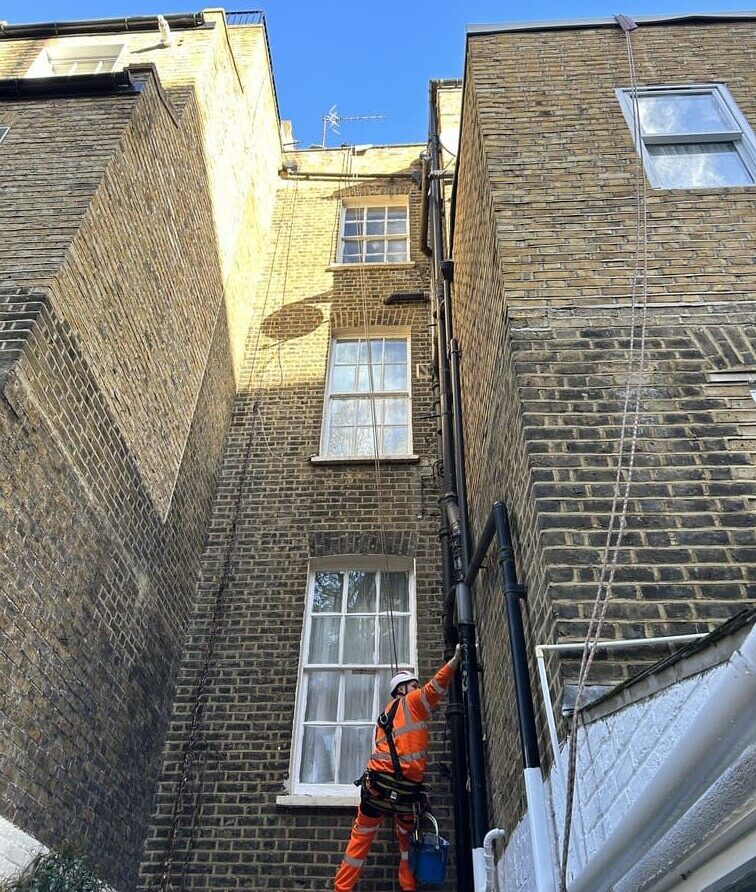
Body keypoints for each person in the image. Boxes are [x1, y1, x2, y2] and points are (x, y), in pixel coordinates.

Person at [334, 644, 462, 891]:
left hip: (377, 788)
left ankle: (342, 888)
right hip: (406, 792)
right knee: (406, 844)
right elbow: (434, 688)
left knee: (360, 839)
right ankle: (408, 888)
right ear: (401, 690)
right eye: (412, 685)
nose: (417, 688)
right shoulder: (411, 703)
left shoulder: (384, 717)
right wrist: (453, 663)